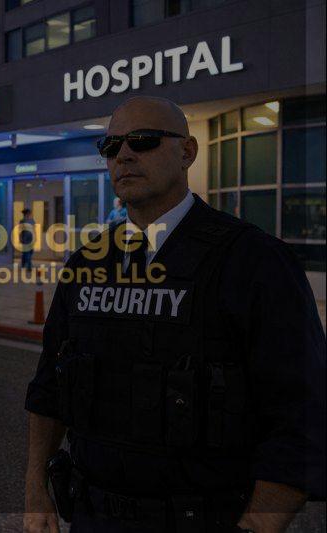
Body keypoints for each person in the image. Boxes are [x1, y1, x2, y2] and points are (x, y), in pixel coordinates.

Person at [24, 96, 325, 533]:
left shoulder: (253, 261)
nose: (123, 155)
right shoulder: (87, 263)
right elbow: (49, 388)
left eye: (143, 141)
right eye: (110, 147)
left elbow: (304, 419)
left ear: (187, 152)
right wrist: (36, 490)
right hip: (92, 517)